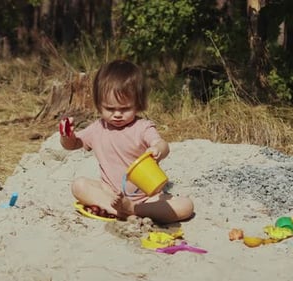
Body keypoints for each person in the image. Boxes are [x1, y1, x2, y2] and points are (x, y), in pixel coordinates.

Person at [59, 59, 194, 224]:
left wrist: (157, 149)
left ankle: (131, 209)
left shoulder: (142, 127)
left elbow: (162, 145)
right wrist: (67, 137)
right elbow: (73, 145)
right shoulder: (97, 128)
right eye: (109, 108)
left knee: (186, 206)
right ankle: (117, 209)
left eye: (124, 109)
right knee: (78, 185)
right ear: (99, 105)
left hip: (147, 196)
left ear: (138, 105)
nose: (117, 114)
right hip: (110, 193)